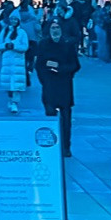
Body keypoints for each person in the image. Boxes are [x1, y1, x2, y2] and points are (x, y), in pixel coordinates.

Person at [35, 18, 81, 156]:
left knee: (66, 118)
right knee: (50, 115)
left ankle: (66, 146)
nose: (55, 31)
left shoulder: (67, 44)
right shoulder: (43, 44)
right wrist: (45, 79)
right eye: (53, 28)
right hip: (49, 85)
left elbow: (76, 65)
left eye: (57, 28)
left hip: (64, 85)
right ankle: (52, 144)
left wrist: (61, 69)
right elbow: (39, 66)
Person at [0, 8, 30, 113]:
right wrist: (6, 46)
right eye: (12, 19)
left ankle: (14, 102)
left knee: (16, 85)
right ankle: (10, 100)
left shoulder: (22, 33)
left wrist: (14, 46)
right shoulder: (5, 31)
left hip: (18, 62)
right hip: (7, 62)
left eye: (16, 19)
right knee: (8, 84)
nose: (13, 21)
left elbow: (25, 47)